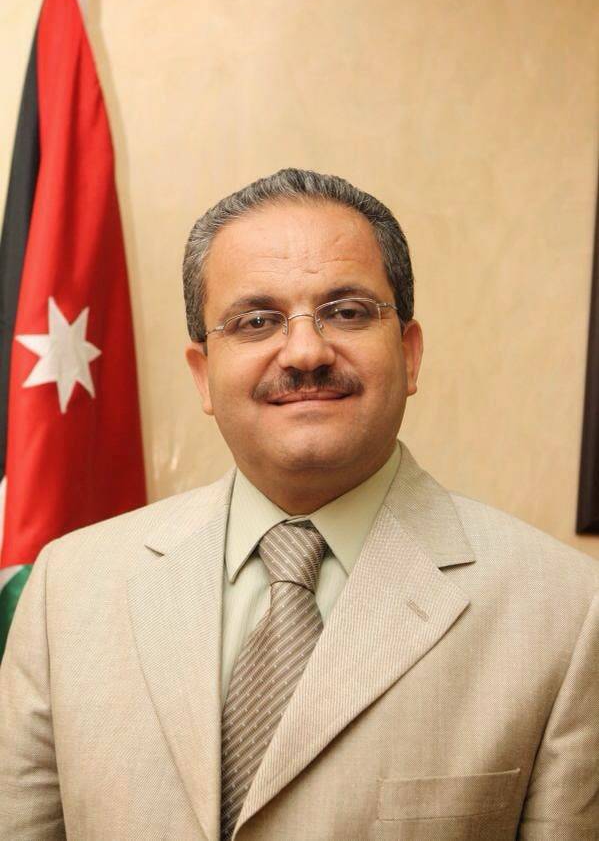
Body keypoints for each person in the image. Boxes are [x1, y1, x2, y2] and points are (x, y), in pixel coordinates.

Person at [0, 168, 597, 841]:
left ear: (408, 354)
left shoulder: (567, 610)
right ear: (203, 374)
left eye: (347, 312)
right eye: (256, 321)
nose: (306, 351)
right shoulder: (67, 589)